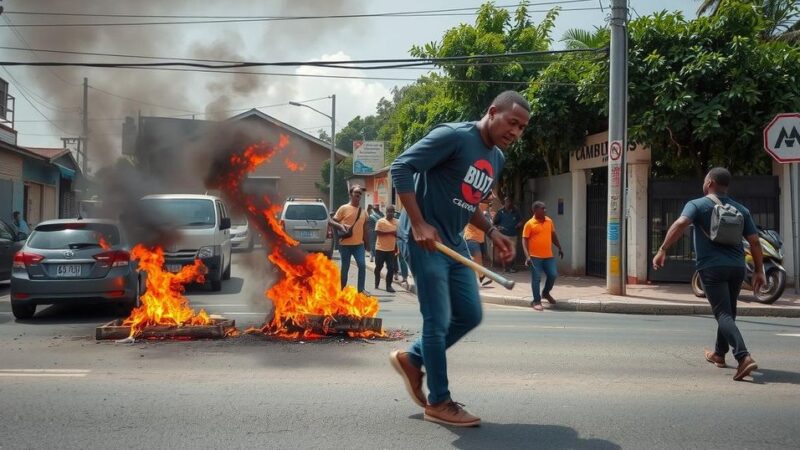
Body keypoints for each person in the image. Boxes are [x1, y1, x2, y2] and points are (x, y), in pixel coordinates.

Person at [389, 90, 528, 427]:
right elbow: (400, 167)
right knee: (436, 321)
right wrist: (419, 223)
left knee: (469, 314)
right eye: (512, 123)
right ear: (492, 112)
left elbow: (467, 204)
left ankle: (413, 357)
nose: (516, 132)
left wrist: (493, 233)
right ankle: (439, 401)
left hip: (455, 245)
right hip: (424, 243)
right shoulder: (453, 136)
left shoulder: (497, 159)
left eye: (522, 128)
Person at [652, 167, 763, 381]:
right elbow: (755, 242)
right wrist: (759, 271)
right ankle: (719, 354)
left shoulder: (697, 204)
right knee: (728, 311)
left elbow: (681, 223)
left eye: (705, 180)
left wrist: (662, 249)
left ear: (710, 182)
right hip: (737, 268)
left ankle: (743, 357)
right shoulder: (741, 209)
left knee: (723, 314)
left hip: (712, 268)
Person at [522, 201, 563, 311]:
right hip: (535, 257)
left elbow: (553, 235)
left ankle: (545, 293)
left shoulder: (549, 221)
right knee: (536, 279)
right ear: (535, 210)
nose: (545, 210)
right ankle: (536, 301)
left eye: (545, 208)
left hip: (548, 256)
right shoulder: (529, 224)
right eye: (542, 208)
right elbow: (524, 241)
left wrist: (559, 247)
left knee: (553, 275)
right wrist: (527, 256)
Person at [331, 185, 369, 293]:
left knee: (362, 265)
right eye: (356, 192)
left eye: (360, 193)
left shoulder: (363, 211)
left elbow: (365, 229)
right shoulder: (344, 208)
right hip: (345, 245)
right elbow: (333, 221)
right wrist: (339, 233)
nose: (358, 194)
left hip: (359, 245)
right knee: (345, 268)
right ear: (351, 194)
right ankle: (342, 289)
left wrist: (367, 243)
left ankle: (361, 289)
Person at [493, 197, 523, 273]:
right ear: (504, 203)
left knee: (512, 251)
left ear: (511, 203)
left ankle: (511, 267)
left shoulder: (516, 211)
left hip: (513, 234)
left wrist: (518, 225)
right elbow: (494, 223)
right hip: (503, 235)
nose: (508, 204)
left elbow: (521, 221)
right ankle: (505, 268)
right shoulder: (500, 211)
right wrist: (498, 227)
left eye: (509, 202)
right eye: (506, 202)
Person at [374, 205, 399, 293]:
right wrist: (391, 232)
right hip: (380, 248)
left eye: (392, 211)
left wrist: (397, 235)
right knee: (378, 267)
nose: (391, 213)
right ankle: (377, 280)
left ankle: (389, 286)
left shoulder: (397, 222)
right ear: (386, 212)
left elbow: (398, 234)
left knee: (391, 268)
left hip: (391, 249)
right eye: (389, 211)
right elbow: (377, 232)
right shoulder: (380, 221)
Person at [463, 221, 492, 287]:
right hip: (471, 238)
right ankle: (476, 279)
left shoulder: (481, 214)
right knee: (476, 259)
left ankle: (481, 277)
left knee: (478, 260)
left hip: (479, 240)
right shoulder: (473, 214)